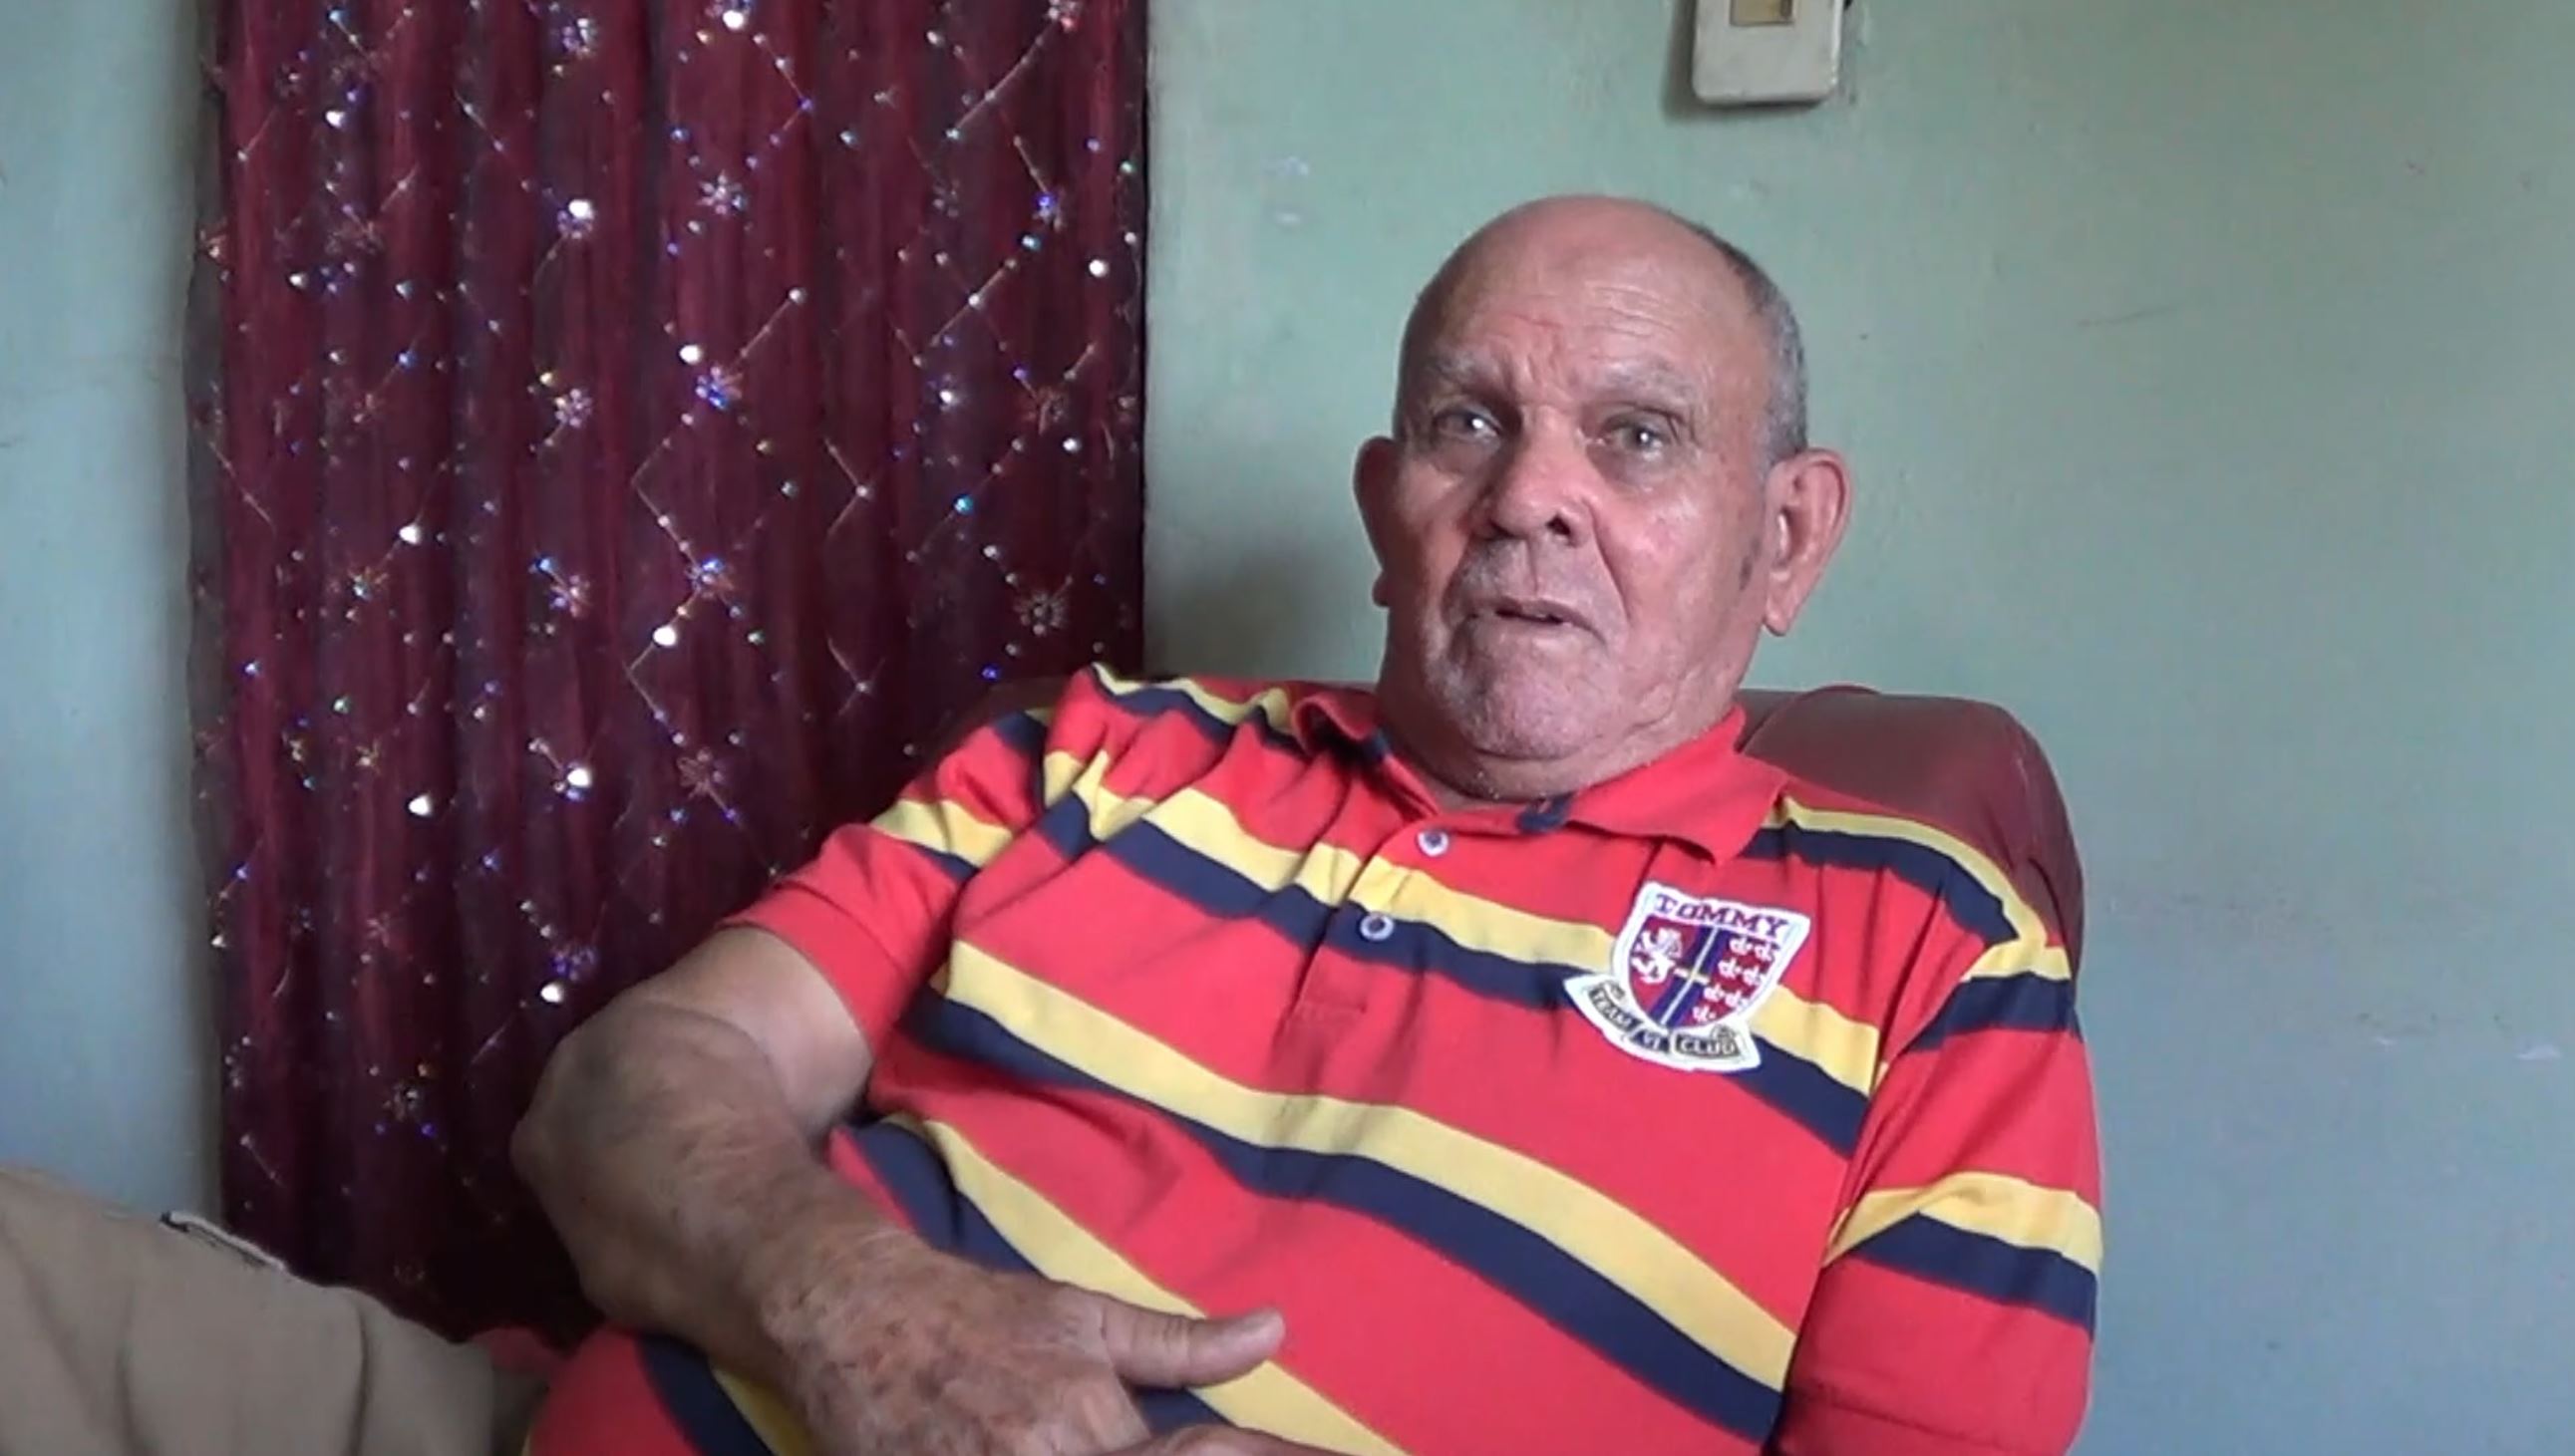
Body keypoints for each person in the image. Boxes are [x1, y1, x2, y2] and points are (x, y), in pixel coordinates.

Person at [0, 194, 2099, 1456]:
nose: (1530, 493)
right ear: (1386, 504)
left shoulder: (1928, 959)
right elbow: (624, 1095)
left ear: (1785, 535)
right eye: (1471, 420)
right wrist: (857, 1306)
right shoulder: (1098, 750)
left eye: (1633, 436)